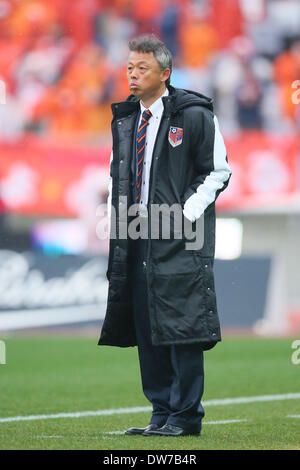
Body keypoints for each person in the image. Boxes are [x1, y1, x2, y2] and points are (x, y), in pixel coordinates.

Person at [98, 34, 231, 437]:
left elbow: (218, 170)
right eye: (129, 68)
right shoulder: (126, 120)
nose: (132, 75)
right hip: (135, 235)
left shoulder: (194, 114)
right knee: (146, 326)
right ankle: (161, 412)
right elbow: (115, 174)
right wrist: (114, 218)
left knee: (182, 325)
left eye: (141, 68)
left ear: (165, 73)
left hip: (178, 239)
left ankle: (186, 416)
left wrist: (183, 216)